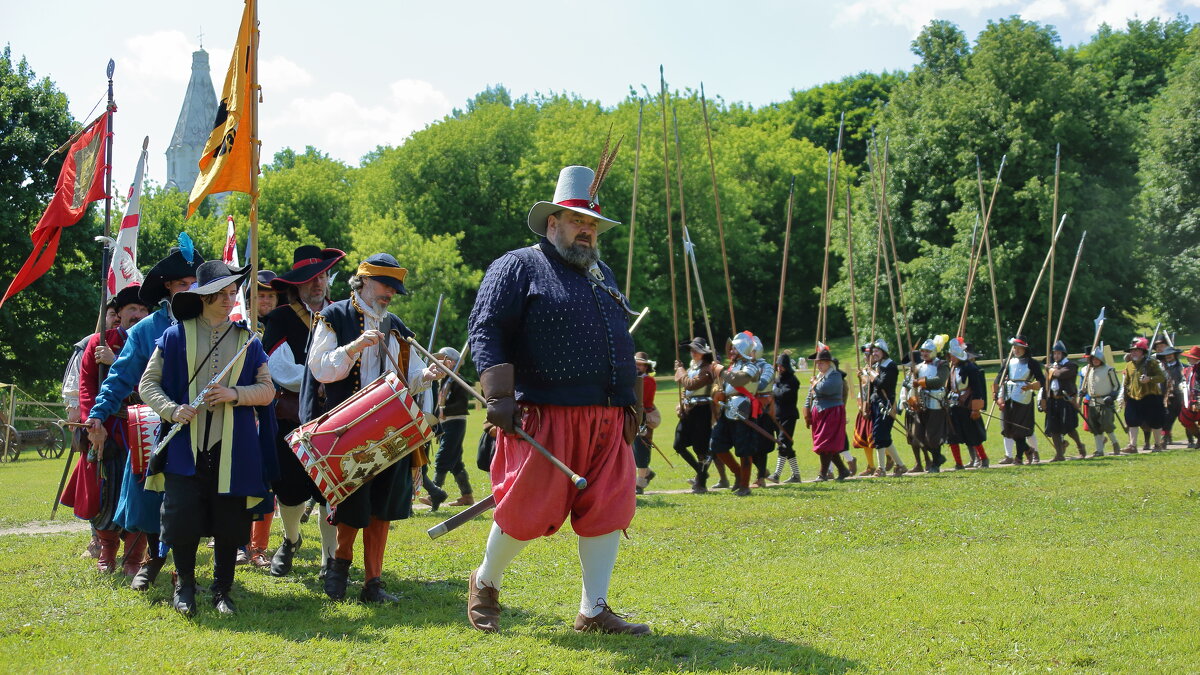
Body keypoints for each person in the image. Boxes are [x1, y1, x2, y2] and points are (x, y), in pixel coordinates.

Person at [466, 163, 649, 635]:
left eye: (592, 226)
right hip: (544, 413)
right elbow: (486, 327)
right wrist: (499, 395)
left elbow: (617, 340)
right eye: (576, 222)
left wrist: (631, 402)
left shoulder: (602, 273)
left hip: (607, 416)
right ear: (552, 224)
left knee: (608, 509)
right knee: (526, 510)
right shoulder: (517, 266)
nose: (586, 232)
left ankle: (594, 608)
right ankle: (486, 581)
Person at [139, 260, 277, 615]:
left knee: (230, 522)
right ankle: (184, 586)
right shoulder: (174, 336)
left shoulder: (248, 340)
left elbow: (267, 391)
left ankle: (222, 590)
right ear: (203, 296)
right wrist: (172, 409)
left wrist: (236, 395)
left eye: (233, 293)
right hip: (185, 445)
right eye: (222, 294)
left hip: (234, 447)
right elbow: (147, 385)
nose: (229, 300)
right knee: (182, 517)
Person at [305, 252, 443, 603]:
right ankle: (339, 565)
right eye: (385, 286)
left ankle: (373, 582)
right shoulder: (333, 317)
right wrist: (353, 347)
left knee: (383, 505)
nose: (389, 295)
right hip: (348, 428)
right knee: (354, 504)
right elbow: (320, 369)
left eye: (394, 289)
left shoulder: (394, 324)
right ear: (363, 280)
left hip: (391, 428)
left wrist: (426, 376)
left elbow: (407, 378)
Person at [85, 243, 205, 590]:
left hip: (205, 423)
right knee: (150, 497)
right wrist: (98, 413)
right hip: (154, 427)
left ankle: (183, 568)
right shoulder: (146, 330)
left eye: (196, 282)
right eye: (183, 283)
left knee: (195, 500)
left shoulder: (216, 325)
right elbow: (120, 377)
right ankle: (152, 558)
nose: (191, 289)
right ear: (168, 286)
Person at [255, 245, 345, 577]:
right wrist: (319, 379)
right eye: (309, 279)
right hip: (291, 417)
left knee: (330, 494)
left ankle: (330, 560)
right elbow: (279, 369)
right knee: (290, 492)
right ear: (296, 285)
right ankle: (290, 539)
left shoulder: (343, 314)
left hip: (335, 419)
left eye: (321, 276)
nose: (317, 284)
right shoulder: (280, 318)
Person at [62, 285, 151, 574]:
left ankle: (135, 557)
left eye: (142, 310)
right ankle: (107, 553)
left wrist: (117, 365)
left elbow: (155, 385)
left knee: (141, 493)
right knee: (105, 492)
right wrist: (93, 424)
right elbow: (87, 388)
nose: (137, 315)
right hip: (107, 428)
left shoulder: (156, 343)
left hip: (143, 427)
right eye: (131, 310)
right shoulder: (100, 342)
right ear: (120, 314)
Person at [710, 332, 765, 495]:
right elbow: (726, 386)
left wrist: (721, 371)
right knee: (717, 444)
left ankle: (744, 485)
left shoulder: (752, 366)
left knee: (744, 449)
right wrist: (718, 392)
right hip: (728, 408)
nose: (731, 351)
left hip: (744, 409)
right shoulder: (732, 367)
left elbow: (739, 380)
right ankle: (738, 473)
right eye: (731, 348)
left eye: (734, 348)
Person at [426, 346, 475, 507]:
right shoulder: (445, 380)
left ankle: (434, 494)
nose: (439, 362)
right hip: (447, 423)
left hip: (455, 422)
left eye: (444, 360)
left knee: (442, 458)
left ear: (452, 362)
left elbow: (461, 405)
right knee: (455, 463)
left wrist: (443, 410)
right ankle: (467, 496)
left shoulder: (458, 381)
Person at [674, 338, 718, 493]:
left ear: (703, 353)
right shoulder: (692, 367)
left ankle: (701, 481)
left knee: (700, 448)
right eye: (691, 350)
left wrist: (680, 370)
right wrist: (682, 402)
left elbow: (691, 384)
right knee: (678, 444)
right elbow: (686, 388)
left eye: (696, 350)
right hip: (689, 409)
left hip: (702, 410)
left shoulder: (707, 369)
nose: (693, 352)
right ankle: (701, 473)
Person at [994, 335, 1045, 465]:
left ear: (1024, 349)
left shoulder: (1032, 363)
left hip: (1023, 396)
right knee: (1009, 427)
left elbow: (1042, 380)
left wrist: (1031, 386)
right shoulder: (1008, 362)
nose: (1016, 350)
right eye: (1014, 348)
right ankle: (1028, 450)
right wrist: (997, 395)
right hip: (1008, 395)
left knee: (1020, 428)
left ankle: (1019, 457)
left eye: (1018, 348)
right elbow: (999, 378)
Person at [860, 339, 907, 476]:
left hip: (886, 404)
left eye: (877, 351)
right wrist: (865, 375)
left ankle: (881, 468)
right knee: (884, 437)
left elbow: (881, 384)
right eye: (873, 351)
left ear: (884, 352)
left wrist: (871, 373)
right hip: (876, 403)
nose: (874, 353)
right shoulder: (875, 366)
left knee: (879, 435)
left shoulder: (890, 365)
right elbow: (870, 387)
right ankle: (900, 465)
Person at [804, 346, 851, 480]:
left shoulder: (836, 376)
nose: (819, 365)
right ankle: (842, 470)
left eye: (821, 362)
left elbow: (825, 389)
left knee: (826, 444)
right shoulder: (819, 377)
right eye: (817, 363)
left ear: (829, 363)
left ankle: (822, 474)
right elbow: (810, 395)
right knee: (826, 445)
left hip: (832, 412)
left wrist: (814, 383)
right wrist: (807, 410)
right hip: (819, 412)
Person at [946, 338, 989, 469]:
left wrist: (975, 409)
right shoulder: (952, 368)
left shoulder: (971, 368)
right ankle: (958, 463)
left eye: (953, 355)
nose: (951, 358)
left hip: (967, 406)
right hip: (954, 406)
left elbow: (977, 389)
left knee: (973, 434)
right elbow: (949, 387)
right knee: (952, 435)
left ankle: (984, 459)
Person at [908, 338, 949, 472]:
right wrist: (911, 377)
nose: (924, 353)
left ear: (933, 352)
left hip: (936, 403)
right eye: (923, 351)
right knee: (918, 437)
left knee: (932, 436)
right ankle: (938, 458)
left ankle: (936, 463)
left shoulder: (942, 364)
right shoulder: (918, 367)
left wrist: (919, 381)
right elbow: (909, 383)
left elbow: (939, 381)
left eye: (927, 351)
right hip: (920, 403)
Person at [1042, 340, 1085, 461]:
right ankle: (1059, 454)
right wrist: (1044, 399)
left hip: (1066, 401)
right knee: (1054, 429)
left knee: (1069, 428)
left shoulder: (1071, 366)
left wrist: (1050, 370)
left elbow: (1061, 375)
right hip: (1053, 401)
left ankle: (1080, 447)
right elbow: (1046, 385)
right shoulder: (1051, 367)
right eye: (1054, 353)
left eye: (1058, 353)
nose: (1056, 356)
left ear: (1063, 354)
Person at [1121, 337, 1166, 453]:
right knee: (1132, 421)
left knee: (1155, 422)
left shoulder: (1152, 363)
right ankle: (1132, 446)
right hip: (1133, 397)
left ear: (1143, 352)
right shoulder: (1129, 365)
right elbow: (1126, 382)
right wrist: (1124, 397)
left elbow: (1161, 377)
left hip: (1151, 396)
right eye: (1132, 351)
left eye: (1136, 350)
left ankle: (1157, 445)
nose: (1133, 352)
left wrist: (1149, 379)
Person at [1079, 344, 1122, 456]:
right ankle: (1099, 450)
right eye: (1093, 358)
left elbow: (1116, 386)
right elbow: (1087, 385)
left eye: (1097, 358)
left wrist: (1112, 396)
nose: (1096, 360)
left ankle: (1115, 444)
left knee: (1107, 425)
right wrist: (1083, 391)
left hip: (1105, 401)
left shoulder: (1109, 370)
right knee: (1095, 428)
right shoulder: (1088, 370)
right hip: (1092, 402)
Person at [767, 352, 802, 482]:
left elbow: (785, 394)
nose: (779, 368)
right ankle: (796, 475)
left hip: (789, 416)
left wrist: (773, 390)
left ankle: (776, 474)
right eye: (778, 366)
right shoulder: (776, 380)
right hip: (777, 416)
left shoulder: (792, 380)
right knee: (786, 446)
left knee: (783, 444)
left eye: (782, 366)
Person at [632, 352, 659, 494]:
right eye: (635, 363)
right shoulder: (632, 378)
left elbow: (642, 400)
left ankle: (640, 483)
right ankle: (647, 472)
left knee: (642, 450)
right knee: (633, 450)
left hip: (644, 417)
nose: (637, 366)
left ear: (646, 366)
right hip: (632, 416)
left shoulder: (648, 380)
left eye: (640, 364)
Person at [1156, 344, 1185, 448]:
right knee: (1167, 418)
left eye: (1170, 354)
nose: (1168, 356)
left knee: (1185, 418)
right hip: (1167, 397)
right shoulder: (1161, 368)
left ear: (1174, 355)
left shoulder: (1182, 366)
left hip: (1181, 396)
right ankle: (1164, 440)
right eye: (1166, 355)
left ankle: (1191, 439)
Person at [1177, 346, 1200, 448]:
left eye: (1190, 357)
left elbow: (1197, 385)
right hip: (1189, 399)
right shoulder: (1189, 369)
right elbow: (1186, 380)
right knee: (1184, 419)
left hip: (1197, 399)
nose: (1188, 358)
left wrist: (1196, 399)